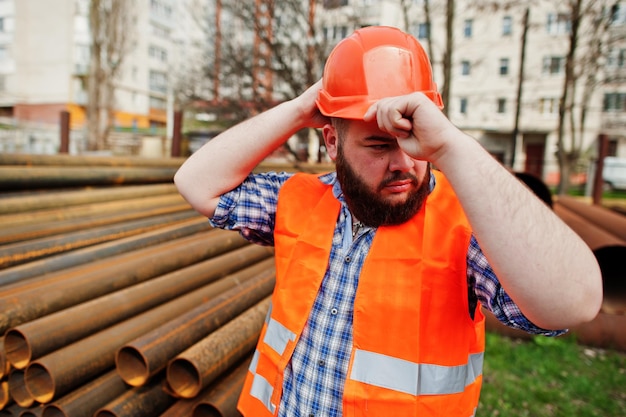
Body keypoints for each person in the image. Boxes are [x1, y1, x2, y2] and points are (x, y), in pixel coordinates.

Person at [174, 26, 602, 417]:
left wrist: (451, 146)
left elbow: (574, 302)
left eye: (414, 142)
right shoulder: (300, 199)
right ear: (331, 142)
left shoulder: (464, 229)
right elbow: (196, 182)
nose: (404, 164)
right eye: (379, 145)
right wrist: (300, 107)